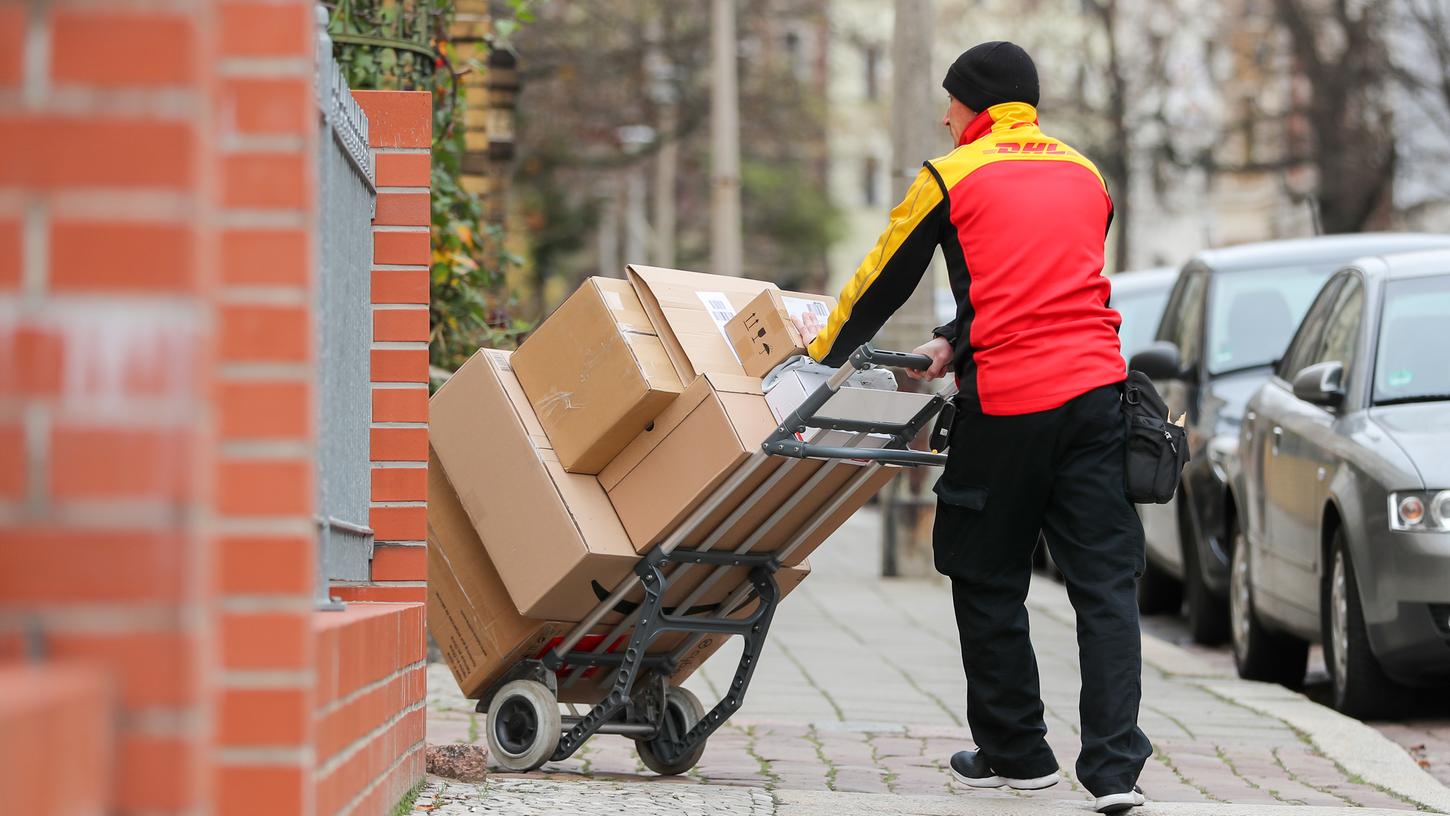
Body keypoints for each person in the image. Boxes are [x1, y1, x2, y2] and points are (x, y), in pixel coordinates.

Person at [794, 41, 1152, 815]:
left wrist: (815, 359)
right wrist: (953, 341)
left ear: (974, 106)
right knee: (1106, 587)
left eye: (950, 102)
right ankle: (1117, 770)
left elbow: (878, 281)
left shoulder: (950, 175)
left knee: (986, 574)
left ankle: (1017, 752)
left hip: (1013, 404)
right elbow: (1043, 283)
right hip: (1098, 399)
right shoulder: (1087, 174)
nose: (944, 116)